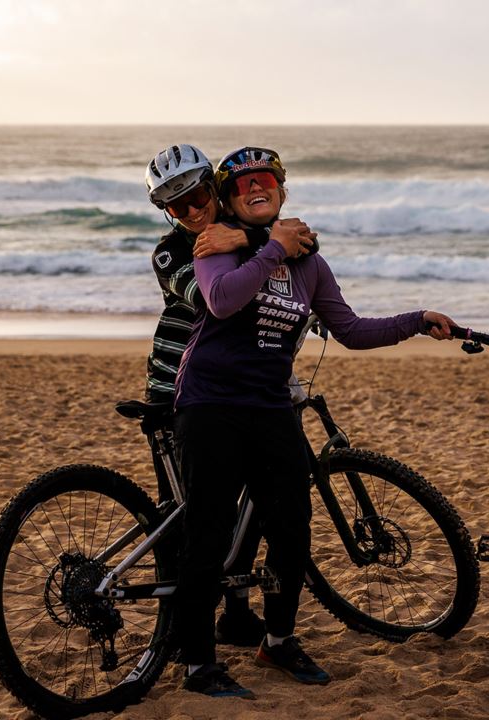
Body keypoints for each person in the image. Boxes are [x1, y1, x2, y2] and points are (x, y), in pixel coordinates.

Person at [171, 146, 455, 699]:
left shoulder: (310, 265)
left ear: (281, 191)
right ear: (230, 199)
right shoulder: (217, 247)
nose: (257, 188)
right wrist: (270, 247)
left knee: (292, 530)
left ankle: (277, 642)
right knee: (207, 533)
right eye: (243, 183)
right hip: (209, 404)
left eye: (266, 180)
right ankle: (198, 664)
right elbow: (222, 300)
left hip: (271, 407)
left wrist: (416, 320)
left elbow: (350, 329)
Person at [141, 143, 319, 652]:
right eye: (179, 206)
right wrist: (261, 241)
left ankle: (237, 617)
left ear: (213, 189)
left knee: (257, 510)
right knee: (193, 518)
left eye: (198, 196)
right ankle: (176, 631)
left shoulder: (235, 234)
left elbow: (303, 242)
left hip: (240, 391)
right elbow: (214, 301)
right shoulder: (174, 251)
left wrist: (250, 234)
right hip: (178, 392)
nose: (194, 211)